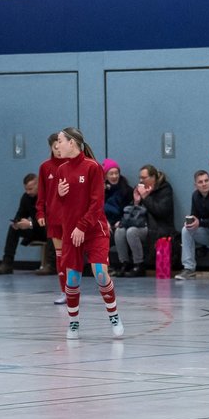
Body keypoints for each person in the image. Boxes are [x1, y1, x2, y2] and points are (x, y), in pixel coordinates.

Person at [52, 127, 124, 340]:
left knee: (101, 273)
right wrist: (59, 194)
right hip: (71, 233)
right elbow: (59, 207)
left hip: (93, 229)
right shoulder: (61, 170)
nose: (57, 145)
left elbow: (96, 204)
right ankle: (73, 323)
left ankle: (114, 316)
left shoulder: (93, 168)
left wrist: (82, 226)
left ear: (72, 143)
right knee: (72, 280)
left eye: (60, 141)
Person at [113, 165, 175, 276]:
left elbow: (160, 212)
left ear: (153, 177)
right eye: (140, 177)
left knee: (132, 232)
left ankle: (139, 265)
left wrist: (146, 197)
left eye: (144, 177)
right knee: (119, 231)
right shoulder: (140, 188)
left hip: (157, 226)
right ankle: (124, 263)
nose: (141, 180)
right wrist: (136, 202)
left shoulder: (164, 189)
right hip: (139, 222)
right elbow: (133, 211)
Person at [34, 134, 67, 303]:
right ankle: (65, 292)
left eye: (61, 145)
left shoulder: (73, 165)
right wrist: (40, 212)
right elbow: (42, 194)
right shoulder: (45, 167)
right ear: (51, 147)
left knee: (72, 255)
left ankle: (74, 288)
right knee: (60, 255)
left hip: (72, 217)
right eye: (56, 147)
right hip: (54, 217)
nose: (59, 150)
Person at [175, 170, 209, 280]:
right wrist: (191, 222)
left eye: (206, 180)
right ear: (196, 185)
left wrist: (200, 222)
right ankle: (189, 268)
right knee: (186, 230)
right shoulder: (195, 196)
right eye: (200, 182)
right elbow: (195, 215)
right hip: (206, 233)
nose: (204, 184)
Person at [0, 173, 46, 274]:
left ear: (38, 185)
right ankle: (7, 263)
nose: (27, 192)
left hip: (48, 231)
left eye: (30, 189)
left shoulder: (47, 196)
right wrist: (17, 223)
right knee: (13, 229)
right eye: (26, 189)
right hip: (35, 230)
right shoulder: (26, 198)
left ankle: (51, 266)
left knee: (53, 229)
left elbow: (49, 220)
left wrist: (30, 224)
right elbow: (20, 214)